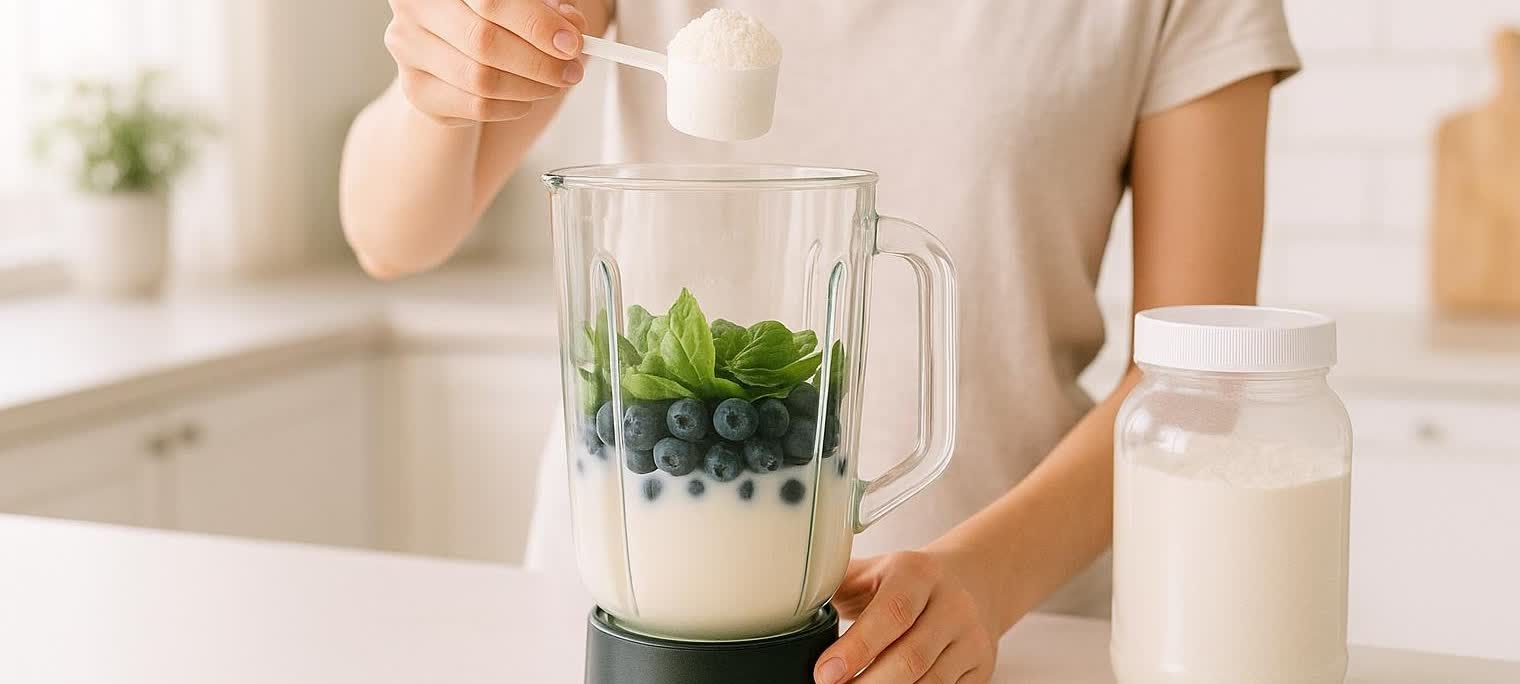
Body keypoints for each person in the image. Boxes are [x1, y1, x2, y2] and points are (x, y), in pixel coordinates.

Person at [339, 2, 1300, 682]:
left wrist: (987, 581)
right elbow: (390, 234)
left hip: (981, 631)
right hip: (629, 581)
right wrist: (438, 84)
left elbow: (1198, 375)